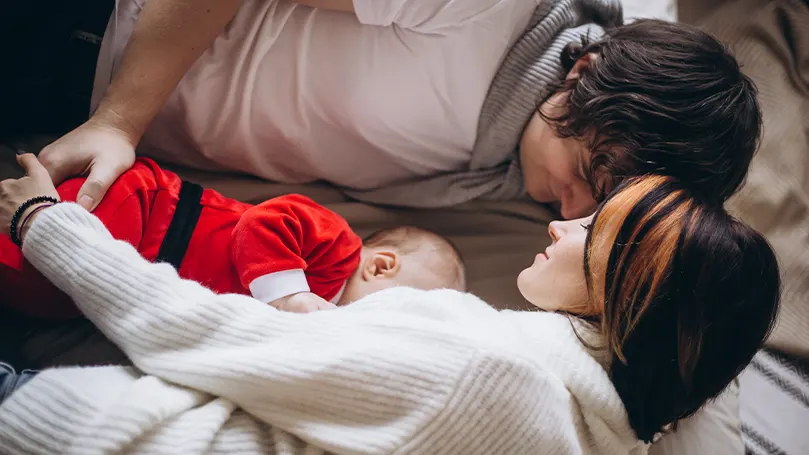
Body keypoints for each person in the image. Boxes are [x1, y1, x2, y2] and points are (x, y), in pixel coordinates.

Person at [0, 155, 779, 452]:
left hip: (75, 428)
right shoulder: (575, 426)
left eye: (591, 227)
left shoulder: (493, 370)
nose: (556, 221)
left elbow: (218, 335)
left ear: (628, 287)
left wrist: (48, 226)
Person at [2, 0, 761, 219]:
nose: (570, 208)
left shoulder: (502, 176)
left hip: (70, 111)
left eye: (599, 204)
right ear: (584, 73)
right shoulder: (487, 14)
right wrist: (121, 121)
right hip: (84, 25)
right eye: (588, 173)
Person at [0, 158, 465, 318]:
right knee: (35, 270)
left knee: (45, 300)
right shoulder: (337, 248)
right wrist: (289, 294)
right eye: (411, 306)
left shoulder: (323, 326)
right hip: (148, 211)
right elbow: (268, 220)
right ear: (381, 264)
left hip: (134, 274)